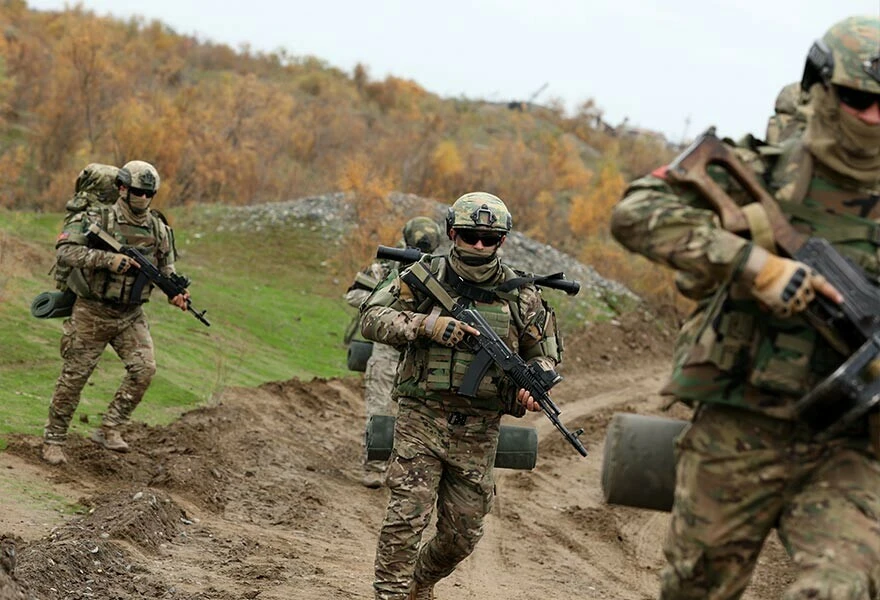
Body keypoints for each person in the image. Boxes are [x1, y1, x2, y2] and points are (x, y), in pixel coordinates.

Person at [610, 15, 880, 600]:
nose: (873, 118)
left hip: (853, 446)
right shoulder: (762, 170)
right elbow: (636, 210)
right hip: (740, 425)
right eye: (860, 100)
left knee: (843, 587)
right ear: (822, 90)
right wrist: (755, 264)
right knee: (696, 589)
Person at [360, 192, 562, 600]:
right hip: (422, 418)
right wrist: (425, 326)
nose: (480, 246)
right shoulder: (422, 275)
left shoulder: (522, 294)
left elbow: (544, 356)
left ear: (502, 241)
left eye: (490, 239)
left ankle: (421, 580)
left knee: (462, 535)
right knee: (405, 519)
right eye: (471, 236)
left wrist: (534, 384)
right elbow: (371, 316)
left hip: (478, 431)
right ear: (453, 233)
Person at [41, 160, 189, 465]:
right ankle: (53, 439)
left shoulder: (159, 227)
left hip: (131, 315)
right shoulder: (98, 218)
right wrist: (108, 261)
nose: (143, 199)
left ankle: (110, 428)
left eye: (149, 194)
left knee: (144, 370)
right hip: (92, 312)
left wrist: (176, 291)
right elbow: (66, 251)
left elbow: (166, 269)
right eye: (137, 192)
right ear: (122, 188)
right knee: (74, 378)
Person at [345, 216, 444, 488]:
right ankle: (375, 467)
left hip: (421, 353)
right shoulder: (387, 266)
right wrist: (386, 303)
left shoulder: (439, 270)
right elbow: (354, 295)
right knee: (380, 410)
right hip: (387, 350)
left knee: (413, 415)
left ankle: (403, 469)